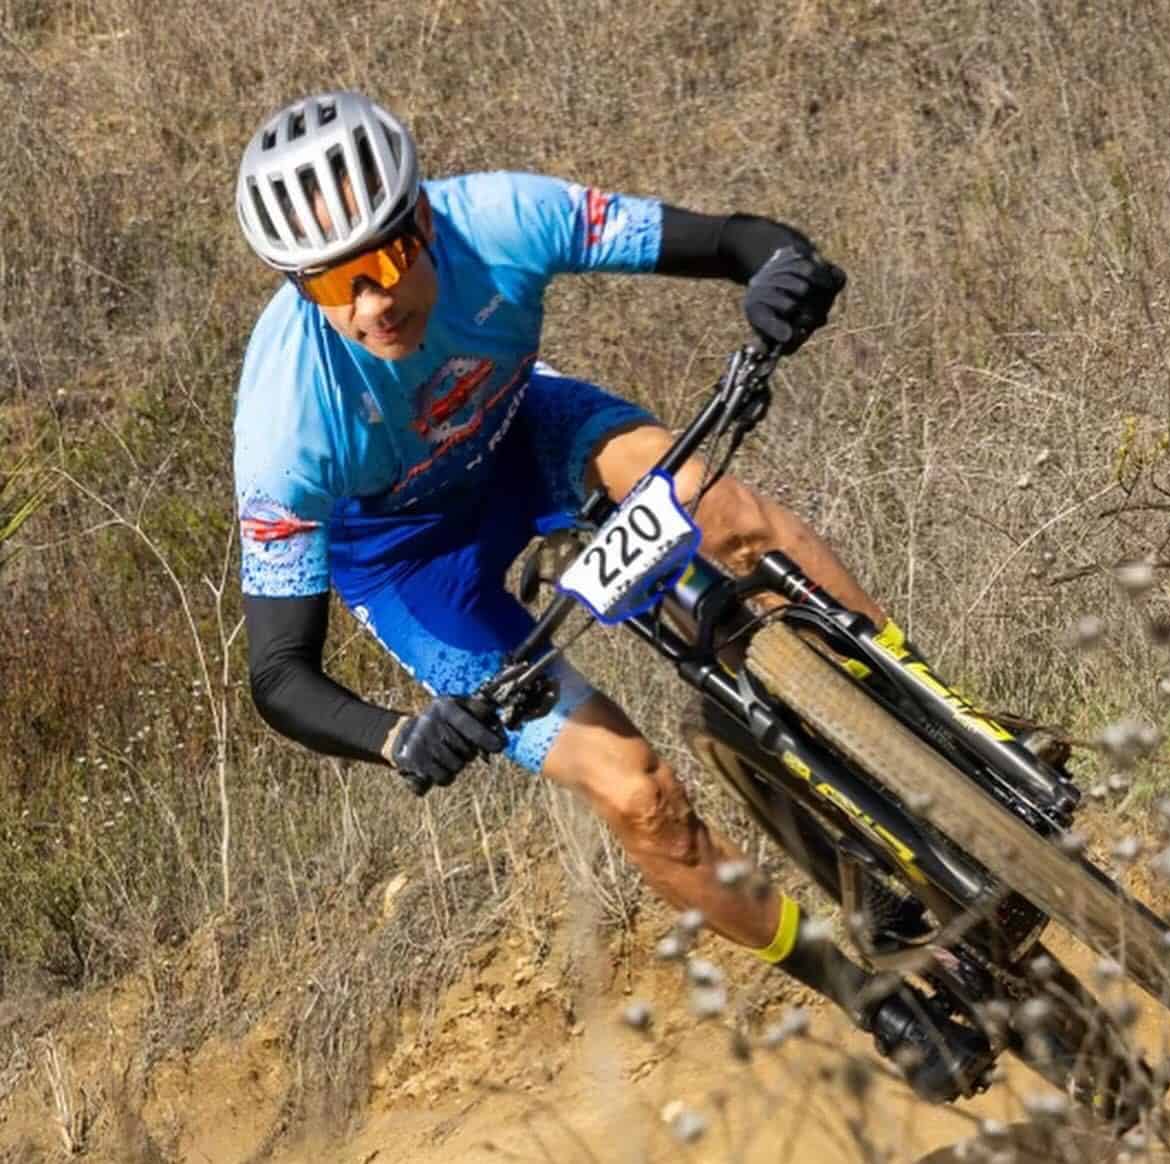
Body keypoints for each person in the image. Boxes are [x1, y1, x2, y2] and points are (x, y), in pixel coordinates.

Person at [233, 90, 991, 1101]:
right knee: (637, 792)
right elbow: (279, 675)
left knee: (728, 516)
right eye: (328, 283)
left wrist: (780, 274)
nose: (370, 304)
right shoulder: (286, 425)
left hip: (528, 439)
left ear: (424, 218)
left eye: (379, 261)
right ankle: (861, 988)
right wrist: (397, 736)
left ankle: (952, 728)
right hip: (412, 560)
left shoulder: (502, 218)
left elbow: (736, 241)